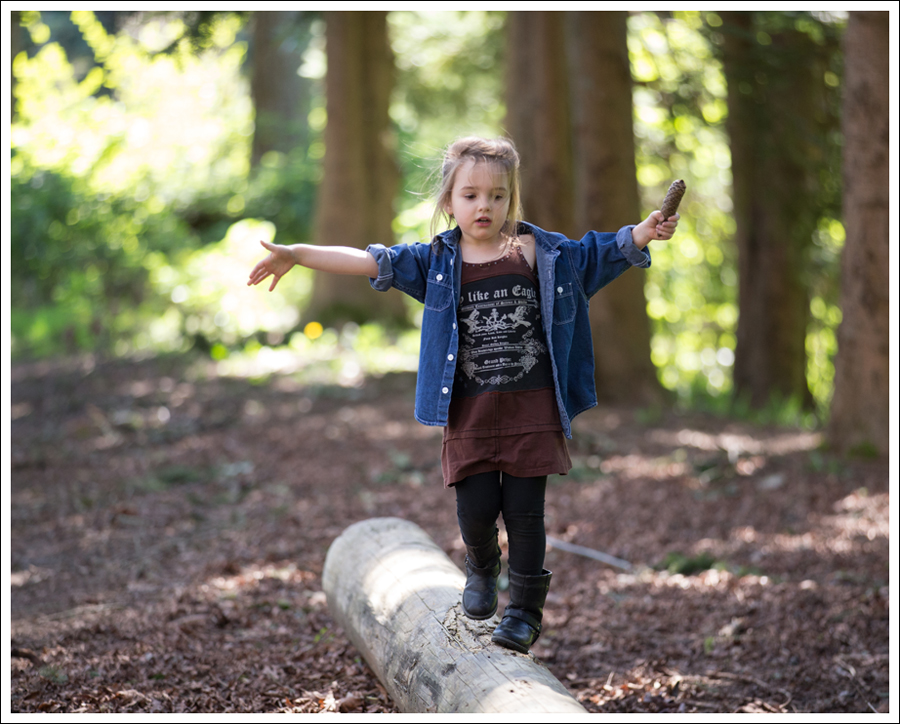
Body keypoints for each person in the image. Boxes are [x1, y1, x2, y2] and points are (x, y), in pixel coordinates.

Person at [247, 136, 679, 654]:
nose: (485, 206)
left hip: (532, 409)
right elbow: (367, 261)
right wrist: (297, 254)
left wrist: (644, 232)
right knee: (475, 510)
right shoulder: (435, 261)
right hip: (469, 413)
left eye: (497, 196)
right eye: (471, 195)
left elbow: (601, 251)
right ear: (449, 201)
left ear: (511, 199)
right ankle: (480, 566)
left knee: (525, 516)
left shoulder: (542, 252)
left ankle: (523, 612)